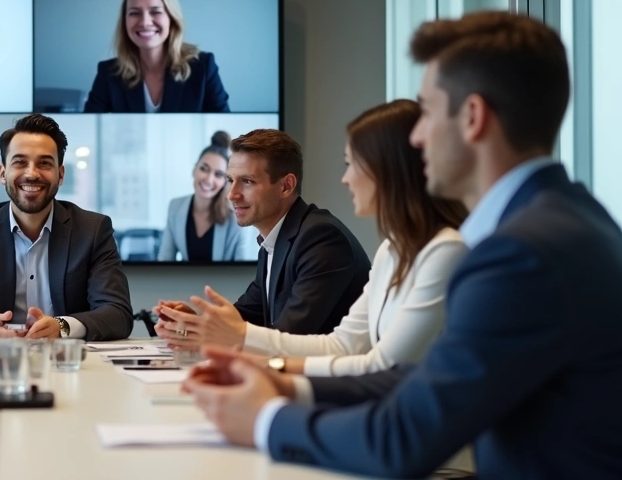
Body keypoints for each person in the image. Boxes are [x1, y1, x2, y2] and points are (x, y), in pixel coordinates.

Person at [182, 12, 622, 480]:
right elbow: (414, 377)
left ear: (473, 118)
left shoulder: (518, 253)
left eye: (428, 112)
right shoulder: (565, 221)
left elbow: (404, 437)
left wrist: (265, 419)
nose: (416, 137)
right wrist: (284, 382)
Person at [160, 100, 468, 378]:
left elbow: (371, 362)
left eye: (352, 164)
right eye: (230, 181)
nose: (345, 178)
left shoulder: (324, 238)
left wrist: (247, 349)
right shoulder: (391, 250)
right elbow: (342, 344)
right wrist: (198, 325)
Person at [0, 114, 133, 342]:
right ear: (3, 172)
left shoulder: (93, 230)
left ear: (61, 174)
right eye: (20, 162)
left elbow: (118, 314)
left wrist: (61, 326)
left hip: (69, 365)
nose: (32, 173)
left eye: (44, 163)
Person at [156, 129, 370, 339]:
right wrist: (192, 323)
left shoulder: (321, 239)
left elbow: (288, 338)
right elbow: (245, 318)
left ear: (286, 186)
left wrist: (207, 330)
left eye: (247, 181)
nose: (232, 194)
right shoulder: (273, 242)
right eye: (231, 180)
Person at [83, 0, 229, 113]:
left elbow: (224, 132)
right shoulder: (109, 72)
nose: (145, 22)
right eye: (134, 13)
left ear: (171, 18)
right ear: (124, 22)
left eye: (156, 12)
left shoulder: (203, 67)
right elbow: (88, 129)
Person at [158, 131, 259, 262]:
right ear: (194, 169)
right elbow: (165, 259)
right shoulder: (175, 206)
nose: (209, 179)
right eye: (204, 169)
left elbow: (243, 272)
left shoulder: (238, 216)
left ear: (225, 182)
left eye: (218, 175)